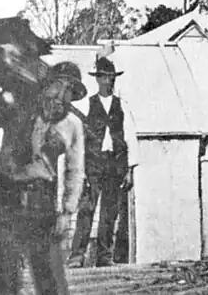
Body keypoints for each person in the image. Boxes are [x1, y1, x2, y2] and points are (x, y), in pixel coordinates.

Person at [0, 61, 86, 295]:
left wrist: (66, 212)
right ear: (46, 85)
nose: (62, 95)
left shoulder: (73, 124)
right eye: (59, 86)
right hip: (7, 198)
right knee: (4, 277)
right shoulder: (18, 108)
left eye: (70, 91)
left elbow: (75, 170)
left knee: (50, 279)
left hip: (41, 201)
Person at [68, 56, 140, 268]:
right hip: (93, 165)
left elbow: (130, 138)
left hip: (115, 164)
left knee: (110, 212)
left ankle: (104, 256)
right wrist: (80, 170)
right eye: (103, 77)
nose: (108, 81)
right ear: (97, 80)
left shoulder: (122, 107)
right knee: (87, 209)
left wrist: (129, 171)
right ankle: (77, 256)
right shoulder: (86, 105)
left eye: (111, 77)